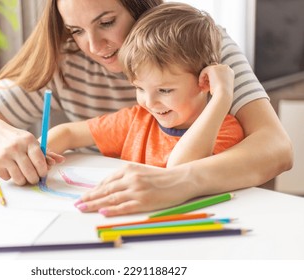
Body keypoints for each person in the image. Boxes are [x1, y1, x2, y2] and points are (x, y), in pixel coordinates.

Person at [0, 0, 292, 216]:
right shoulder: (65, 56)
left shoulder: (199, 46)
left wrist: (176, 181)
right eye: (77, 30)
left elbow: (276, 149)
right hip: (105, 211)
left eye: (107, 22)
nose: (94, 46)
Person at [45, 2, 244, 215]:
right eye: (139, 88)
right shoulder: (138, 120)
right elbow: (68, 133)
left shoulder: (224, 130)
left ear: (204, 82)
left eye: (165, 90)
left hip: (181, 226)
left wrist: (221, 97)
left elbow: (179, 168)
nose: (149, 102)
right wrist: (39, 153)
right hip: (129, 219)